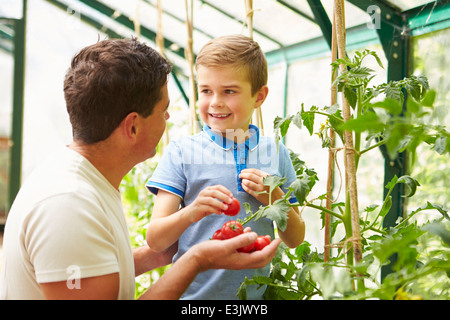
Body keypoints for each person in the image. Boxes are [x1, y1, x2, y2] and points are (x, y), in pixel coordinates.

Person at [0, 38, 281, 300]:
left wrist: (155, 255)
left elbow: (90, 270)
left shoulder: (83, 181)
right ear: (133, 126)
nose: (168, 118)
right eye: (163, 110)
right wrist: (196, 261)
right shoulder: (68, 205)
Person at [145, 34, 305, 300]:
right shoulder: (182, 152)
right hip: (192, 298)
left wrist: (275, 199)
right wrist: (193, 210)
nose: (215, 102)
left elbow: (295, 238)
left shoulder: (276, 152)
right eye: (206, 90)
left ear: (259, 96)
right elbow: (156, 239)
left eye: (229, 91)